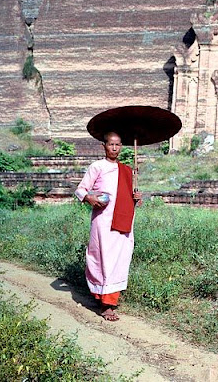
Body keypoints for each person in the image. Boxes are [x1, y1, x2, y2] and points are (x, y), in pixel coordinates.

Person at [75, 131, 141, 321]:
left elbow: (129, 197)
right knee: (101, 257)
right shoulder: (97, 167)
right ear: (103, 146)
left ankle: (109, 302)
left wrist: (136, 198)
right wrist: (89, 197)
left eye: (118, 145)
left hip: (123, 219)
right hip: (103, 220)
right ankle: (102, 299)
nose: (114, 148)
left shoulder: (127, 170)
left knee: (119, 258)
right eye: (111, 144)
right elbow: (80, 189)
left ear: (121, 147)